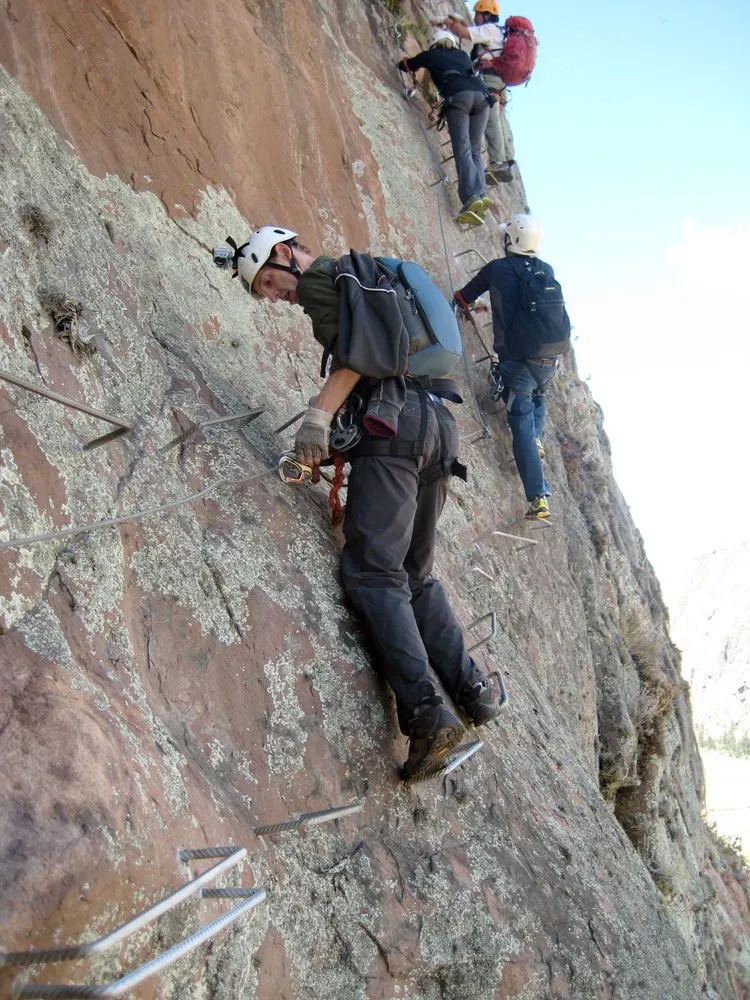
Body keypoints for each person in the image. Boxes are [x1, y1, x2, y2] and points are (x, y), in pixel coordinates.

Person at [222, 226, 503, 781]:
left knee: (375, 574)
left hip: (394, 427)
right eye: (266, 295)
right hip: (436, 426)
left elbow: (359, 357)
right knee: (414, 576)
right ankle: (473, 689)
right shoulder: (365, 282)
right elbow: (376, 354)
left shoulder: (323, 281)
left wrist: (318, 416)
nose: (276, 298)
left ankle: (427, 716)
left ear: (283, 253)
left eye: (270, 283)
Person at [453, 215, 570, 520]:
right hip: (551, 358)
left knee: (520, 424)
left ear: (511, 240)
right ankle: (538, 436)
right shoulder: (546, 270)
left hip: (519, 364)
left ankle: (538, 497)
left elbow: (463, 297)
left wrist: (467, 305)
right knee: (538, 394)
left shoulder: (498, 269)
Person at [397, 30, 491, 225]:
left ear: (434, 43)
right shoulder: (463, 55)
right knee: (474, 150)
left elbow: (408, 65)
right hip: (482, 98)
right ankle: (481, 196)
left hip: (459, 96)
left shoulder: (431, 55)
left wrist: (400, 63)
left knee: (462, 146)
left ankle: (472, 197)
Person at [444, 1, 515, 185]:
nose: (475, 18)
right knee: (489, 118)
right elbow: (470, 32)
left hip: (489, 80)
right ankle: (496, 161)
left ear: (486, 15)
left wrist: (448, 22)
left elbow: (463, 33)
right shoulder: (494, 33)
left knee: (490, 119)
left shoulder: (490, 30)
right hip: (494, 82)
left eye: (477, 14)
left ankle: (497, 162)